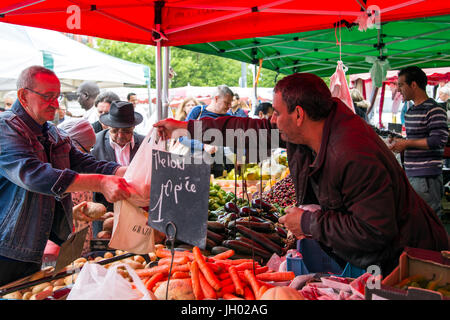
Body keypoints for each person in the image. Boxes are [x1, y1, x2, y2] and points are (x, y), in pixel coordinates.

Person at [154, 72, 449, 277]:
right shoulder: (307, 128)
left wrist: (307, 220)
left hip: (408, 258)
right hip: (373, 253)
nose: (272, 119)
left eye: (277, 113)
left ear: (298, 114)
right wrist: (186, 128)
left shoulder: (353, 154)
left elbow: (372, 230)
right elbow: (253, 132)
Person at [0, 66, 133, 286]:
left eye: (57, 96)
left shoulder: (52, 132)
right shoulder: (6, 128)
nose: (55, 103)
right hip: (6, 245)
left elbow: (83, 162)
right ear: (24, 96)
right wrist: (101, 182)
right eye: (47, 97)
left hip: (34, 246)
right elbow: (34, 175)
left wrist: (123, 173)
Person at [388, 67, 449, 219]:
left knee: (429, 219)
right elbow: (414, 139)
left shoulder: (435, 110)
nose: (399, 90)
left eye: (401, 85)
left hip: (427, 176)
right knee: (417, 220)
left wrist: (406, 144)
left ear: (413, 85)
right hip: (411, 174)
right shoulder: (410, 111)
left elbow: (438, 140)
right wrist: (398, 142)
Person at [91, 100, 145, 237]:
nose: (120, 136)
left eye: (126, 131)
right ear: (107, 126)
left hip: (138, 212)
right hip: (105, 213)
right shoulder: (94, 143)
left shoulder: (145, 144)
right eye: (115, 131)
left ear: (133, 127)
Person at [182, 85, 235, 177]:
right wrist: (204, 146)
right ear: (216, 98)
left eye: (230, 103)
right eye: (227, 103)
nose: (229, 106)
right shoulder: (198, 111)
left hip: (219, 169)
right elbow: (182, 137)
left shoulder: (229, 117)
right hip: (196, 166)